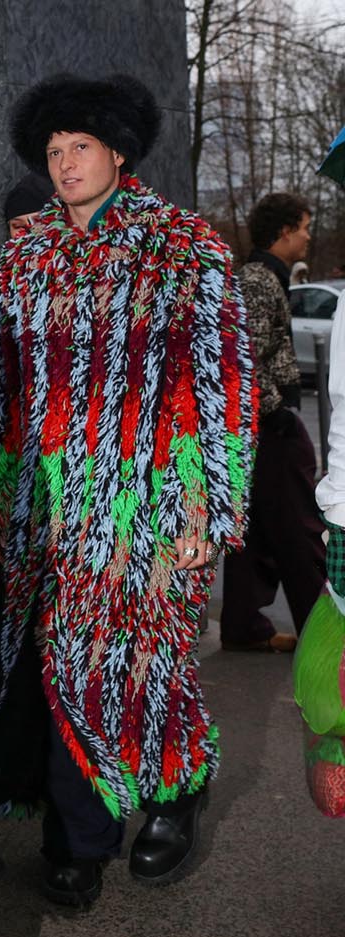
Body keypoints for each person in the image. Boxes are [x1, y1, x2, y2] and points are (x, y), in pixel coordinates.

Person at [0, 74, 256, 907]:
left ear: (118, 152)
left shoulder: (184, 245)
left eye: (78, 147)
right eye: (51, 152)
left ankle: (173, 790)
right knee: (60, 667)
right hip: (52, 504)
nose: (63, 163)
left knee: (148, 662)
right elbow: (4, 384)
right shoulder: (27, 256)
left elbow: (220, 384)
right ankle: (77, 840)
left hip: (154, 499)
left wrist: (208, 502)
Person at [219, 192, 325, 652]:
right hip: (269, 427)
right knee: (301, 530)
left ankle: (244, 629)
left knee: (257, 526)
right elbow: (241, 356)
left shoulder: (264, 277)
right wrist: (275, 412)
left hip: (260, 426)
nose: (307, 235)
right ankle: (325, 641)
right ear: (283, 232)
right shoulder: (259, 281)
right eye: (303, 226)